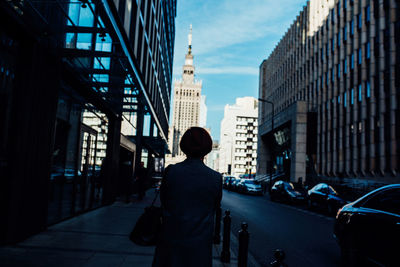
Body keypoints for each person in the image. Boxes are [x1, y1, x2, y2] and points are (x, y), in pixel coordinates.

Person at [152, 127, 223, 267]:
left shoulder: (171, 172)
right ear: (207, 148)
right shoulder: (216, 178)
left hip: (171, 240)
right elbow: (214, 207)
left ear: (184, 146)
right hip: (200, 245)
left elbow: (164, 201)